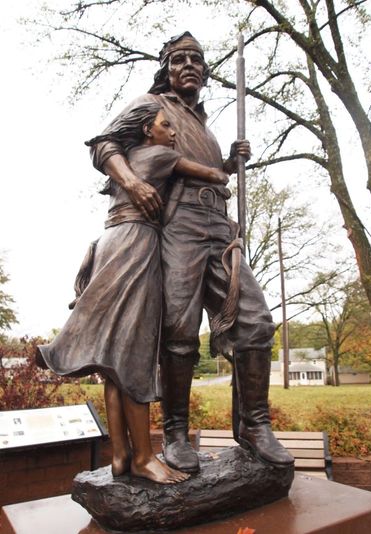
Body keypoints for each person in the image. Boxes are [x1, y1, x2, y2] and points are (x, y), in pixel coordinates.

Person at [89, 32, 294, 474]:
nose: (189, 65)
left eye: (196, 59)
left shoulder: (202, 123)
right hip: (177, 224)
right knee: (179, 329)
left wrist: (229, 162)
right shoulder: (151, 105)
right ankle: (177, 434)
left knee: (255, 320)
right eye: (179, 59)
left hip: (218, 224)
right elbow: (104, 144)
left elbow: (209, 174)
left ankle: (254, 426)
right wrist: (133, 182)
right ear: (165, 66)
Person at [37, 101, 228, 484]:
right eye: (165, 126)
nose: (174, 133)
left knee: (113, 360)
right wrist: (232, 164)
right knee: (136, 353)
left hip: (110, 243)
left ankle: (120, 456)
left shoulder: (123, 165)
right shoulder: (159, 155)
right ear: (147, 130)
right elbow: (212, 174)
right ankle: (143, 457)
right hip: (137, 245)